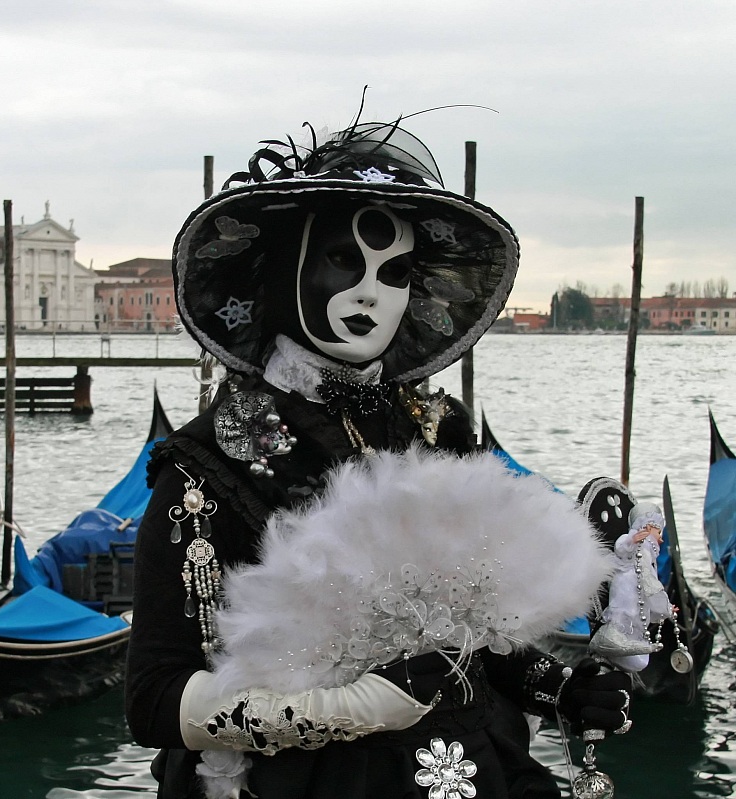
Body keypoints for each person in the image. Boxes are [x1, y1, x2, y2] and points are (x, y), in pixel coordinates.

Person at [125, 112, 632, 799]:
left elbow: (469, 635)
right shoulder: (209, 467)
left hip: (472, 763)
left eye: (394, 273)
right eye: (343, 260)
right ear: (284, 268)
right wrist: (351, 708)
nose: (371, 291)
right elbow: (155, 698)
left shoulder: (435, 431)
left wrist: (559, 685)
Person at [589, 502, 673, 672]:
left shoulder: (650, 554)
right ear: (648, 527)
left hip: (639, 591)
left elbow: (651, 580)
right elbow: (621, 548)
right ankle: (610, 635)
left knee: (636, 615)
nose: (661, 539)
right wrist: (633, 539)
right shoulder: (634, 542)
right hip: (627, 583)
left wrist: (665, 606)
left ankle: (627, 640)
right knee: (624, 609)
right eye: (658, 533)